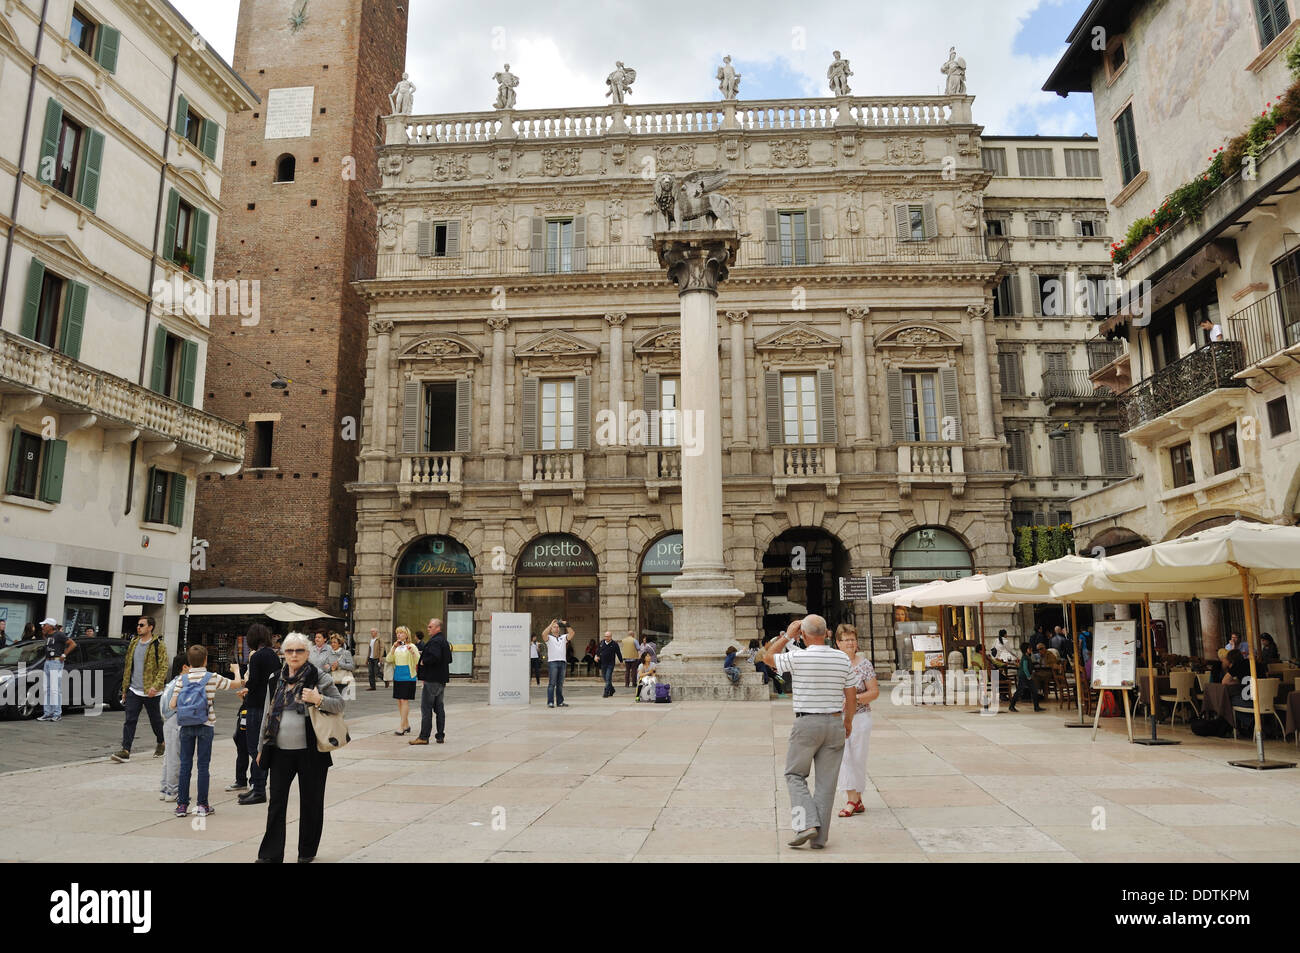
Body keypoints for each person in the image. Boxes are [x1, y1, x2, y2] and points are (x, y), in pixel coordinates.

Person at [759, 615, 856, 850]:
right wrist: (848, 722)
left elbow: (767, 657)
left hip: (807, 723)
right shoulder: (842, 658)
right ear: (827, 633)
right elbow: (851, 694)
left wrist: (786, 636)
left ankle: (805, 825)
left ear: (803, 635)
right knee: (826, 783)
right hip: (834, 722)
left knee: (794, 775)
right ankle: (819, 838)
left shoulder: (798, 656)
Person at [255, 632, 344, 863]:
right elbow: (267, 713)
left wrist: (318, 699)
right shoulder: (275, 678)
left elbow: (340, 704)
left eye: (299, 651)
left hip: (311, 752)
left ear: (308, 653)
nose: (294, 655)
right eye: (289, 651)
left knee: (312, 803)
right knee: (276, 804)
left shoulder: (319, 677)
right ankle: (270, 855)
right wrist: (260, 748)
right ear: (283, 654)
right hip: (279, 752)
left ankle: (306, 852)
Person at [170, 644, 246, 817]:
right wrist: (236, 670)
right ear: (206, 660)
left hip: (186, 726)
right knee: (203, 766)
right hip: (206, 724)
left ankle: (182, 805)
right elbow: (236, 684)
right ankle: (202, 805)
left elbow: (172, 704)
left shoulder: (182, 679)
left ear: (188, 661)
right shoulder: (212, 677)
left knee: (185, 765)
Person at [834, 624, 878, 819]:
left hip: (860, 717)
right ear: (838, 643)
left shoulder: (864, 664)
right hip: (837, 718)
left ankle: (854, 799)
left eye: (852, 639)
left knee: (857, 758)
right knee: (844, 758)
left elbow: (874, 692)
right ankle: (853, 800)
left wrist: (854, 699)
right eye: (846, 639)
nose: (850, 643)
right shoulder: (834, 663)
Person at [111, 615, 168, 761]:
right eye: (138, 625)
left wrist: (155, 687)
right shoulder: (134, 643)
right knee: (130, 720)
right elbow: (128, 667)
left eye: (142, 625)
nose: (138, 627)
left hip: (151, 692)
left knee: (155, 720)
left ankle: (161, 742)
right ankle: (125, 750)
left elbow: (163, 667)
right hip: (134, 690)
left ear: (150, 627)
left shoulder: (158, 645)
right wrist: (125, 689)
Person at [237, 624, 278, 805]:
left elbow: (253, 681)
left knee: (255, 748)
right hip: (269, 704)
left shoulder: (257, 657)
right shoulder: (273, 655)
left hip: (255, 705)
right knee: (262, 746)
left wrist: (246, 688)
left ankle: (259, 789)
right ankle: (257, 787)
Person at [411, 618, 450, 745]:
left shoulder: (435, 641)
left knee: (426, 708)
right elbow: (448, 659)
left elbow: (435, 656)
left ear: (437, 628)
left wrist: (424, 661)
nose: (428, 629)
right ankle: (440, 735)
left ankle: (424, 736)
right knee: (439, 708)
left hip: (432, 679)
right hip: (440, 679)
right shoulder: (443, 640)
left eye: (430, 627)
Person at [158, 655, 187, 802]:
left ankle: (165, 788)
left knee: (169, 756)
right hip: (175, 719)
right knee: (175, 757)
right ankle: (172, 791)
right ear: (185, 667)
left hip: (168, 720)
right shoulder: (183, 683)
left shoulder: (172, 682)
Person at [37, 618, 75, 721]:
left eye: (44, 625)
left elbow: (72, 643)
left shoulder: (59, 634)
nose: (42, 627)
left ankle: (57, 713)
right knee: (47, 688)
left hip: (55, 662)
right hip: (48, 661)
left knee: (54, 689)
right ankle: (48, 712)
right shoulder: (49, 636)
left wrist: (64, 654)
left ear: (50, 626)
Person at [387, 626, 419, 734]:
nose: (399, 635)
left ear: (406, 635)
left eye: (401, 633)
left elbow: (418, 659)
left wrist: (412, 652)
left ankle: (401, 726)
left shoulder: (411, 646)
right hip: (398, 675)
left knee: (404, 700)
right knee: (399, 701)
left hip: (408, 675)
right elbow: (388, 659)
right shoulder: (396, 647)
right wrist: (393, 648)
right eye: (397, 633)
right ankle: (406, 724)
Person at [544, 619, 574, 708]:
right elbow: (543, 634)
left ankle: (560, 702)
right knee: (552, 683)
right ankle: (550, 702)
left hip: (562, 662)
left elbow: (572, 633)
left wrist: (566, 624)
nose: (556, 628)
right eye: (554, 627)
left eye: (557, 627)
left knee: (560, 684)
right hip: (553, 662)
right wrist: (551, 624)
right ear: (551, 629)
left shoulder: (563, 637)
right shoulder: (549, 638)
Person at [1007, 642, 1044, 713]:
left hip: (1026, 677)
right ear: (1026, 649)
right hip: (1024, 677)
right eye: (1029, 648)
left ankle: (1036, 707)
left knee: (1034, 691)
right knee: (1019, 692)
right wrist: (1029, 676)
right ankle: (1011, 706)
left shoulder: (1027, 657)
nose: (1031, 649)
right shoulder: (1025, 658)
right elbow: (1025, 668)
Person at [595, 630, 623, 697]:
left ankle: (606, 692)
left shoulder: (614, 644)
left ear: (611, 637)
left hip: (610, 664)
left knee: (608, 677)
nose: (606, 638)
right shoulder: (601, 643)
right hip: (603, 663)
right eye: (605, 636)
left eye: (608, 636)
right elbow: (598, 651)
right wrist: (596, 656)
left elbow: (618, 653)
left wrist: (621, 662)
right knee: (605, 678)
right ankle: (612, 689)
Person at [329, 633, 356, 700]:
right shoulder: (328, 653)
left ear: (340, 644)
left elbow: (352, 666)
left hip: (342, 680)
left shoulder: (346, 653)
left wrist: (339, 665)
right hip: (332, 680)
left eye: (335, 642)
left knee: (339, 699)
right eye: (331, 642)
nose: (333, 644)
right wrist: (330, 668)